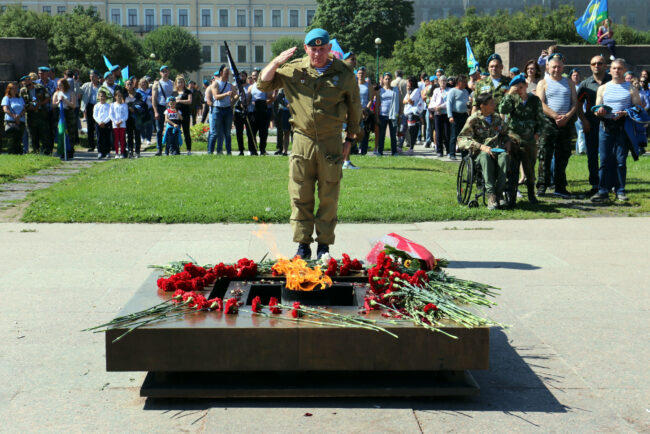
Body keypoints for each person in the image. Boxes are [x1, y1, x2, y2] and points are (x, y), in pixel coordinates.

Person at [257, 28, 360, 259]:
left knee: (328, 195)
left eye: (322, 49)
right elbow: (263, 85)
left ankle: (324, 246)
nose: (317, 54)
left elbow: (355, 109)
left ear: (328, 49)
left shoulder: (343, 73)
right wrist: (276, 61)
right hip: (302, 140)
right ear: (306, 49)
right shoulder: (294, 69)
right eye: (313, 49)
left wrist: (350, 140)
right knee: (300, 195)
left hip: (331, 141)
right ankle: (303, 245)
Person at [591, 59, 643, 203]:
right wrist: (599, 111)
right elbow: (596, 109)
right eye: (614, 68)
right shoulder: (603, 88)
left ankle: (620, 190)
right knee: (605, 160)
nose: (616, 71)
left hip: (622, 128)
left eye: (619, 68)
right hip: (605, 126)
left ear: (624, 70)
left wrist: (625, 113)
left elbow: (639, 108)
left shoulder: (631, 88)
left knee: (620, 161)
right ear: (610, 70)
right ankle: (602, 191)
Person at [457, 93, 518, 210]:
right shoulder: (473, 119)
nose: (494, 105)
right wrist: (480, 146)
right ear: (482, 106)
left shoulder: (496, 118)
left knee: (505, 157)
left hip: (497, 150)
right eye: (491, 104)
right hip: (480, 153)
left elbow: (505, 133)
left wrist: (508, 141)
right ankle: (491, 195)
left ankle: (499, 194)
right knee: (485, 156)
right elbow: (462, 139)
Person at [499, 74, 546, 204]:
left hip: (530, 138)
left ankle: (531, 194)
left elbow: (541, 119)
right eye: (516, 88)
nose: (519, 90)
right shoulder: (512, 99)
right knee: (513, 166)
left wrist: (537, 134)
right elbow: (502, 109)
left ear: (526, 86)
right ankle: (512, 193)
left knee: (529, 167)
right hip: (514, 137)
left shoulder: (534, 100)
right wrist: (509, 94)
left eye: (521, 87)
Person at [536, 53, 578, 198]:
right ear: (548, 67)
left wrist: (566, 117)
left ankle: (560, 186)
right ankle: (542, 185)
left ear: (563, 67)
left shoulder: (569, 82)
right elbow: (540, 103)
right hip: (548, 123)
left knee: (563, 155)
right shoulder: (543, 83)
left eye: (559, 67)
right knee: (544, 155)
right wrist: (555, 116)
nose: (556, 69)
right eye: (554, 67)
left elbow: (575, 102)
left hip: (565, 123)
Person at [577, 55, 611, 195]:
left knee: (609, 154)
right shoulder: (585, 84)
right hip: (591, 123)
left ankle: (609, 184)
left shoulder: (612, 81)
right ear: (590, 66)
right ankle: (595, 184)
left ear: (605, 66)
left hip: (610, 121)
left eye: (599, 63)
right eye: (593, 64)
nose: (596, 66)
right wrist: (584, 121)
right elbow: (578, 105)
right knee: (592, 155)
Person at [206, 65, 236, 155]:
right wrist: (227, 94)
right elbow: (216, 96)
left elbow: (234, 97)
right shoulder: (216, 84)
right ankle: (210, 152)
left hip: (227, 110)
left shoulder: (230, 85)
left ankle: (228, 151)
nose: (227, 74)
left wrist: (236, 97)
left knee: (227, 133)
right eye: (226, 72)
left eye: (228, 73)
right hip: (218, 109)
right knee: (214, 133)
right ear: (221, 73)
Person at [20, 73, 51, 154]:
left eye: (28, 82)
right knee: (32, 135)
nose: (27, 85)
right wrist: (29, 107)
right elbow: (21, 103)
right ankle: (34, 152)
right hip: (31, 115)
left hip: (42, 114)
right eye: (25, 83)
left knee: (44, 134)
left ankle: (45, 152)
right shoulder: (22, 91)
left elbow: (48, 98)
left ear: (31, 81)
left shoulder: (40, 87)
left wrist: (39, 104)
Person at [248, 68, 273, 155]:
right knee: (253, 132)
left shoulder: (265, 86)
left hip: (263, 111)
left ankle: (262, 150)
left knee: (263, 132)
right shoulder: (251, 87)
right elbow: (248, 100)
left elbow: (271, 99)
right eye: (253, 76)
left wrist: (262, 103)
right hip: (254, 112)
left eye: (255, 75)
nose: (254, 77)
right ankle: (253, 150)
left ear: (260, 76)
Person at [51, 78, 78, 159]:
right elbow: (53, 105)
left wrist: (65, 100)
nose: (59, 86)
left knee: (70, 132)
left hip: (69, 113)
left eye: (61, 85)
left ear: (65, 85)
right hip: (60, 113)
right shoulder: (56, 93)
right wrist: (59, 101)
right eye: (58, 85)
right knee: (61, 132)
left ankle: (70, 150)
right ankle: (62, 150)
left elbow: (73, 105)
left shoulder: (71, 93)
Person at [446, 74, 471, 161]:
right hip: (455, 115)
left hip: (464, 115)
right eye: (464, 82)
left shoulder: (465, 91)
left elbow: (467, 102)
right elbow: (448, 104)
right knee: (454, 135)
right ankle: (452, 153)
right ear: (459, 82)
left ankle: (464, 154)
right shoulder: (452, 91)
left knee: (464, 135)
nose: (465, 83)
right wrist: (450, 116)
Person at [151, 65, 174, 156]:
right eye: (163, 71)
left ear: (169, 72)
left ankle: (170, 149)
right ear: (160, 73)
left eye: (166, 71)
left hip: (170, 108)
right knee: (159, 130)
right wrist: (155, 111)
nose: (165, 73)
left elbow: (175, 95)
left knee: (170, 129)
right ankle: (159, 149)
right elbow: (154, 99)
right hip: (160, 107)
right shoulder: (156, 84)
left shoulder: (172, 83)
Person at [375, 72, 399, 156]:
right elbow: (377, 104)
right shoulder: (380, 91)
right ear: (383, 80)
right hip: (383, 115)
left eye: (389, 79)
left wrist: (399, 114)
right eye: (386, 79)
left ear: (391, 80)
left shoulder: (395, 90)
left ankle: (394, 151)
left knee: (393, 134)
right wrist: (377, 116)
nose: (387, 80)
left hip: (392, 115)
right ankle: (380, 151)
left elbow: (399, 102)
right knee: (382, 134)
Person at [233, 71, 256, 156]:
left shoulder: (249, 87)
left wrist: (245, 104)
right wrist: (237, 95)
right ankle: (241, 150)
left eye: (243, 76)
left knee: (250, 132)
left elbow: (251, 97)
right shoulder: (236, 87)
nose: (241, 78)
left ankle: (251, 149)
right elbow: (233, 99)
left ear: (246, 77)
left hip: (248, 111)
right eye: (240, 76)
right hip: (238, 112)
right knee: (239, 132)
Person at [79, 70, 101, 152]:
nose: (92, 77)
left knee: (98, 126)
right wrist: (76, 82)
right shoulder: (86, 85)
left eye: (94, 76)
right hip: (89, 106)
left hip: (98, 107)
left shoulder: (101, 86)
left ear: (97, 77)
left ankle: (99, 145)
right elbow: (78, 91)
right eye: (91, 76)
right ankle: (91, 145)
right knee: (90, 127)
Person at [2, 83, 26, 154]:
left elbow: (24, 109)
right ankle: (11, 153)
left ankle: (18, 153)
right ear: (9, 90)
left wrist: (19, 116)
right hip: (10, 121)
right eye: (13, 88)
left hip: (21, 120)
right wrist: (14, 117)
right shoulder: (6, 98)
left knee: (19, 138)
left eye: (16, 88)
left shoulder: (20, 98)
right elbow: (5, 109)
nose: (15, 90)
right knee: (12, 139)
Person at [430, 75, 451, 158]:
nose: (443, 82)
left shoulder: (450, 90)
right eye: (441, 81)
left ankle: (449, 150)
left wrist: (440, 107)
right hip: (437, 114)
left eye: (445, 80)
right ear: (438, 82)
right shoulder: (436, 90)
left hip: (446, 113)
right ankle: (439, 150)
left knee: (447, 133)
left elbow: (449, 102)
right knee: (438, 133)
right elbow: (432, 101)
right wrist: (436, 107)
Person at [356, 67, 375, 155]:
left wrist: (366, 110)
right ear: (357, 74)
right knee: (354, 130)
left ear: (365, 75)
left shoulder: (368, 85)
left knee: (365, 131)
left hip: (365, 111)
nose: (361, 75)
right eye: (359, 73)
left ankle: (363, 150)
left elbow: (371, 99)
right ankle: (354, 149)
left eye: (362, 73)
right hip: (355, 110)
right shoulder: (354, 85)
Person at [403, 76, 423, 155]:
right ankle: (407, 146)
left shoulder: (416, 90)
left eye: (408, 82)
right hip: (407, 113)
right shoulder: (410, 91)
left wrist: (408, 93)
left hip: (412, 113)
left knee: (412, 131)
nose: (407, 84)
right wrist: (408, 97)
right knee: (405, 129)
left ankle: (411, 148)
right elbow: (404, 101)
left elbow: (410, 101)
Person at [173, 75, 193, 155]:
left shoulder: (188, 92)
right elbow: (171, 102)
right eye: (179, 82)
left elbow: (189, 101)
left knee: (186, 132)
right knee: (176, 131)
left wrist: (179, 100)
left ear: (184, 83)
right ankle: (176, 149)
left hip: (185, 114)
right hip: (175, 115)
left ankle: (188, 149)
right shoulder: (174, 93)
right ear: (176, 84)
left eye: (182, 82)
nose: (180, 84)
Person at [124, 78, 143, 158]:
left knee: (137, 134)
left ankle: (137, 151)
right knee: (130, 135)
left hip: (137, 117)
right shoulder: (124, 95)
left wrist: (134, 108)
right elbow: (122, 105)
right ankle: (130, 150)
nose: (129, 85)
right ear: (125, 86)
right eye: (128, 84)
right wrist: (129, 108)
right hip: (128, 118)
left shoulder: (138, 95)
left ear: (133, 85)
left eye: (131, 84)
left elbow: (141, 105)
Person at [569, 68, 586, 155]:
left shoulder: (583, 86)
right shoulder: (569, 86)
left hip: (582, 111)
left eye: (577, 75)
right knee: (580, 130)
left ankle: (580, 150)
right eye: (574, 75)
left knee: (581, 130)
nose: (575, 77)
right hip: (572, 112)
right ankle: (581, 150)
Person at [93, 90, 112, 159]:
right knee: (99, 138)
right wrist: (99, 122)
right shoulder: (96, 106)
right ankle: (100, 152)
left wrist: (104, 122)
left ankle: (107, 152)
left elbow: (110, 115)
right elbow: (94, 115)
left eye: (104, 96)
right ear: (98, 97)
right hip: (98, 123)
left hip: (106, 124)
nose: (102, 97)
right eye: (101, 96)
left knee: (107, 138)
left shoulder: (108, 106)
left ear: (106, 97)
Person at [109, 90, 128, 158]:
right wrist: (115, 122)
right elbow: (111, 115)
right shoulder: (112, 105)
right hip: (115, 125)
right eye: (118, 96)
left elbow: (126, 115)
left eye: (120, 96)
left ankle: (122, 152)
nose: (119, 97)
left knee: (122, 139)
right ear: (115, 97)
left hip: (122, 125)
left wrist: (121, 121)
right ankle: (117, 153)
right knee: (116, 139)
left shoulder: (124, 105)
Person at [136, 78, 153, 146]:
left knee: (149, 125)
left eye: (144, 83)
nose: (143, 84)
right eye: (142, 83)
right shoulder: (138, 91)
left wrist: (152, 97)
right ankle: (142, 137)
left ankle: (148, 139)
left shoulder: (150, 91)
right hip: (142, 110)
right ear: (140, 84)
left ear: (147, 84)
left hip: (149, 109)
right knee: (142, 125)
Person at [275, 88, 291, 155]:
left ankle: (296, 150)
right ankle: (285, 151)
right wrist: (286, 105)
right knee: (286, 132)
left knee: (297, 133)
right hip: (286, 111)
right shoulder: (283, 86)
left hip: (297, 111)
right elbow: (279, 98)